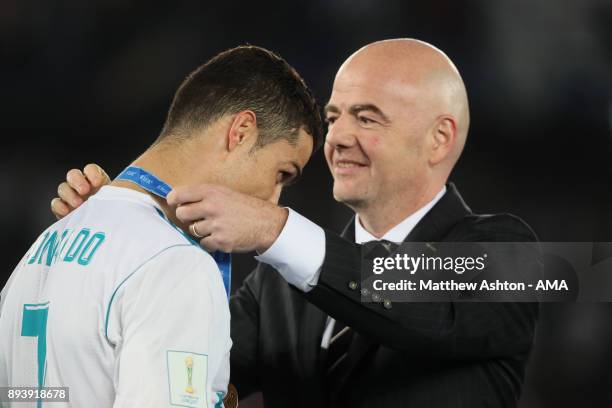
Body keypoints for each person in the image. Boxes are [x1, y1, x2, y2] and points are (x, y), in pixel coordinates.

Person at [50, 39, 539, 407]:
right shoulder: (277, 288)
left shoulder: (510, 254)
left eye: (367, 118)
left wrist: (275, 230)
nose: (338, 138)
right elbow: (172, 370)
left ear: (439, 139)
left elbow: (416, 305)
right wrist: (116, 245)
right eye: (334, 117)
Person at [1, 45, 322, 407]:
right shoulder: (176, 264)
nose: (273, 201)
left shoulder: (41, 248)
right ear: (242, 131)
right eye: (282, 173)